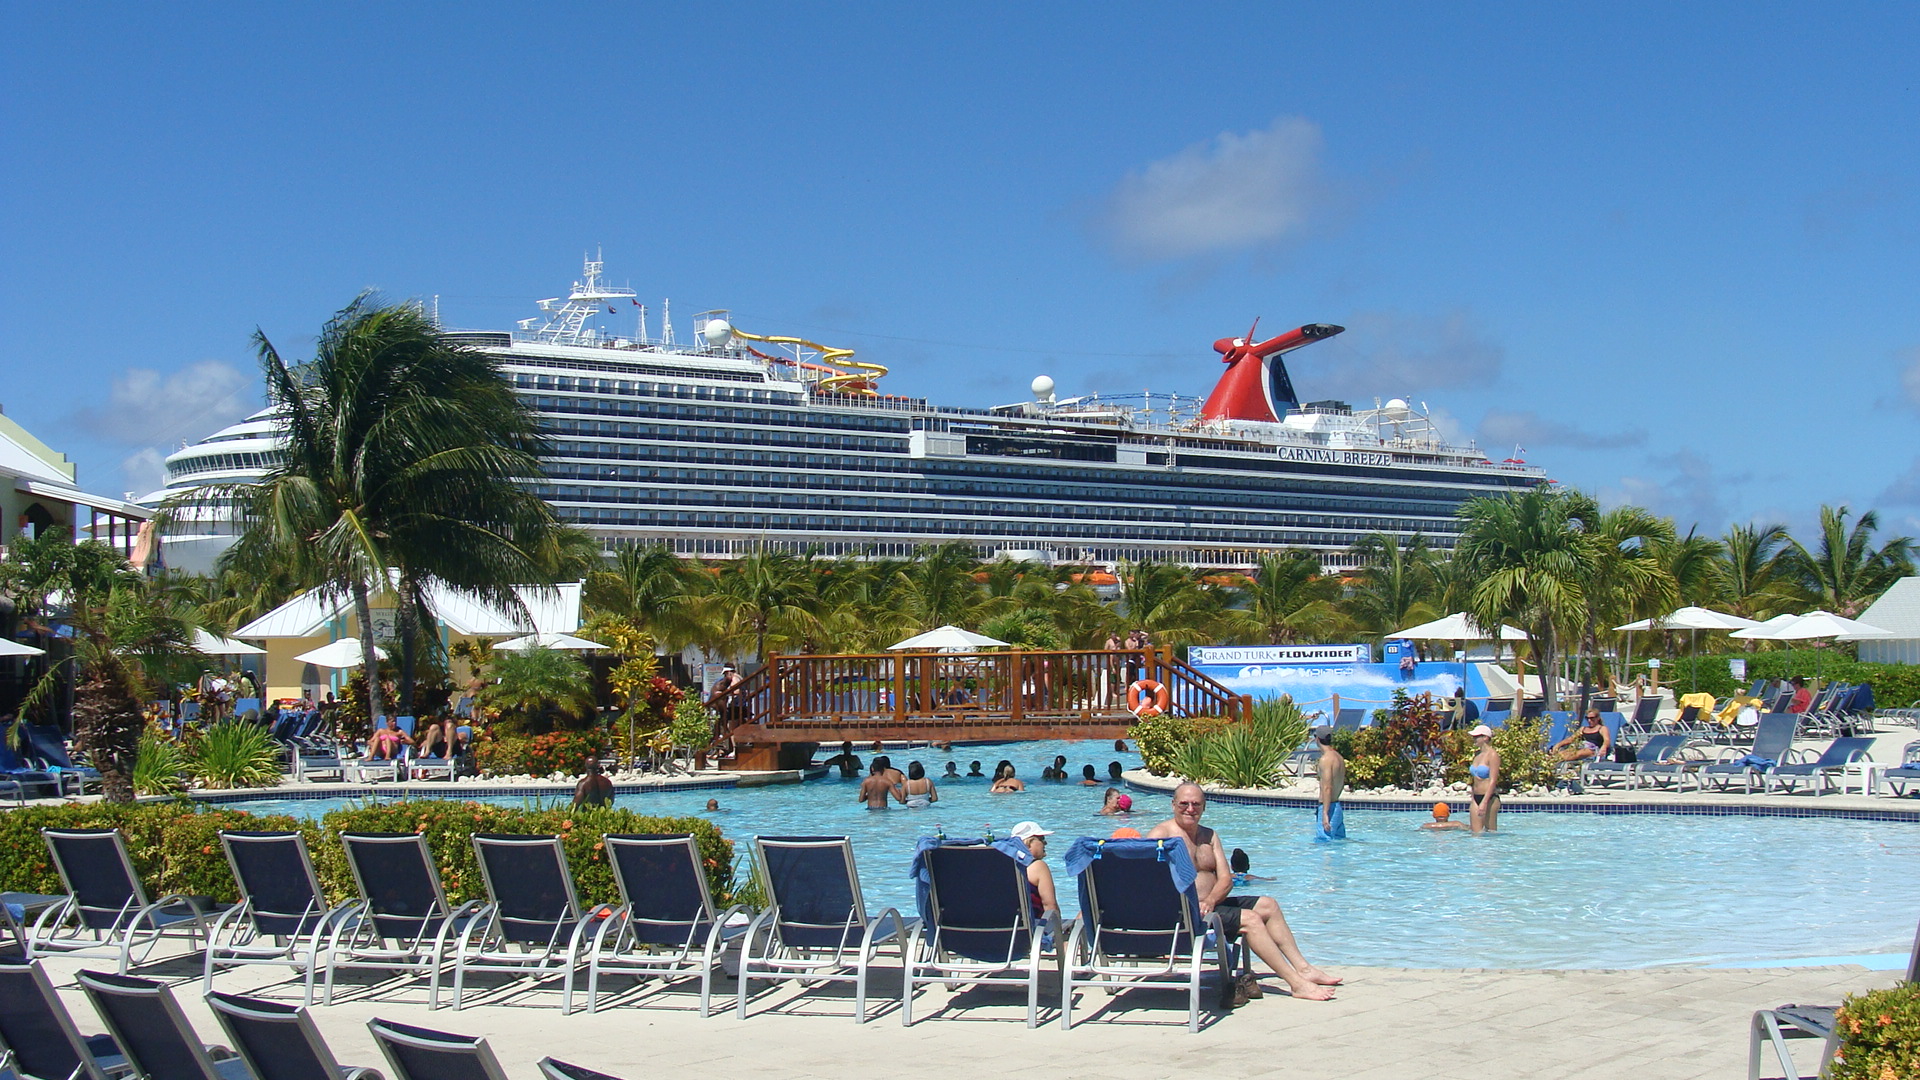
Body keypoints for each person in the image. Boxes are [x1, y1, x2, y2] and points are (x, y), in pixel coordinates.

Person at [1149, 783, 1337, 1002]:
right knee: (1251, 919)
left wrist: (1210, 899)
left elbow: (1226, 878)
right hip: (1185, 915)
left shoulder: (1209, 836)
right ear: (1173, 805)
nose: (1190, 809)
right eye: (1184, 804)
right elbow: (1151, 884)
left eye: (1196, 804)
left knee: (1269, 905)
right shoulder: (1161, 836)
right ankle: (1296, 984)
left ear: (1204, 807)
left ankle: (1303, 968)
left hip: (1211, 906)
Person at [1008, 821, 1059, 925]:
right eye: (1042, 839)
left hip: (1006, 929)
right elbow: (1050, 906)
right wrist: (1059, 935)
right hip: (1034, 931)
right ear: (1029, 843)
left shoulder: (1005, 867)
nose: (1045, 843)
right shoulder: (1037, 866)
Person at [1467, 724, 1502, 834]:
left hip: (1489, 798)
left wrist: (1484, 802)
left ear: (1485, 738)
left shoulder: (1492, 755)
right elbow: (1474, 779)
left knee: (1490, 834)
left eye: (1476, 737)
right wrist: (1473, 798)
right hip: (1475, 798)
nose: (1474, 739)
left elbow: (1493, 780)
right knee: (1475, 835)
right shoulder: (1477, 754)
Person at [1314, 726, 1346, 841]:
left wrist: (1325, 814)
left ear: (1317, 739)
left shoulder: (1325, 759)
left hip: (1329, 808)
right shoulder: (1339, 757)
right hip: (1337, 807)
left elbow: (1327, 787)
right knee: (1338, 844)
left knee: (1325, 847)